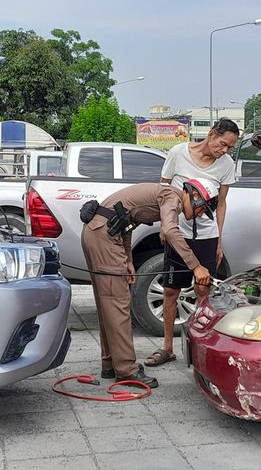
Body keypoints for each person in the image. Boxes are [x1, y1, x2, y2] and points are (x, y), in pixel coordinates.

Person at [80, 178, 219, 388]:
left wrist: (128, 258)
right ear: (194, 196)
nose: (200, 215)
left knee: (107, 303)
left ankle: (110, 364)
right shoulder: (171, 197)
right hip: (104, 237)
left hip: (99, 233)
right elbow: (170, 231)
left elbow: (126, 221)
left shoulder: (164, 194)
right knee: (118, 303)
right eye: (201, 209)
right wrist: (196, 267)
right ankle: (126, 370)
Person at [145, 118, 239, 368]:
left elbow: (221, 204)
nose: (224, 150)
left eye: (229, 147)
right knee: (170, 291)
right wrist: (165, 225)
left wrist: (219, 240)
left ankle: (200, 348)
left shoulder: (226, 164)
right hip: (178, 235)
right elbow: (162, 192)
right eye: (222, 144)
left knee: (202, 291)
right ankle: (167, 348)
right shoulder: (178, 153)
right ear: (211, 134)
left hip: (207, 237)